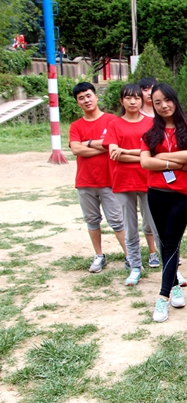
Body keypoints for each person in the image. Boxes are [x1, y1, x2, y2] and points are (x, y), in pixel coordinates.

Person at [140, 83, 187, 322]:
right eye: (157, 102)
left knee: (171, 243)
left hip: (181, 195)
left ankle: (163, 296)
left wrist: (159, 157)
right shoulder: (150, 133)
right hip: (156, 193)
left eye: (167, 100)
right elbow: (145, 162)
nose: (163, 106)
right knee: (165, 242)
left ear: (175, 100)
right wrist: (174, 163)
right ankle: (175, 285)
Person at [103, 83, 160, 286]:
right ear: (122, 101)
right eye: (128, 98)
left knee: (154, 225)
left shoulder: (151, 123)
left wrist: (126, 151)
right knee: (130, 227)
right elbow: (113, 153)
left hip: (148, 181)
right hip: (123, 182)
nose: (133, 101)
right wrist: (142, 155)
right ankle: (135, 266)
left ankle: (167, 265)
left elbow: (154, 152)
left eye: (136, 97)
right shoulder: (114, 125)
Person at [68, 82, 127, 273]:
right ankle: (99, 255)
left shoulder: (112, 121)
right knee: (92, 220)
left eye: (88, 96)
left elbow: (115, 144)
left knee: (117, 220)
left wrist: (88, 143)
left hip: (109, 180)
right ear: (77, 102)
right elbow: (76, 149)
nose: (86, 100)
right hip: (85, 181)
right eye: (81, 98)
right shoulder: (76, 126)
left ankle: (130, 256)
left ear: (96, 96)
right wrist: (103, 147)